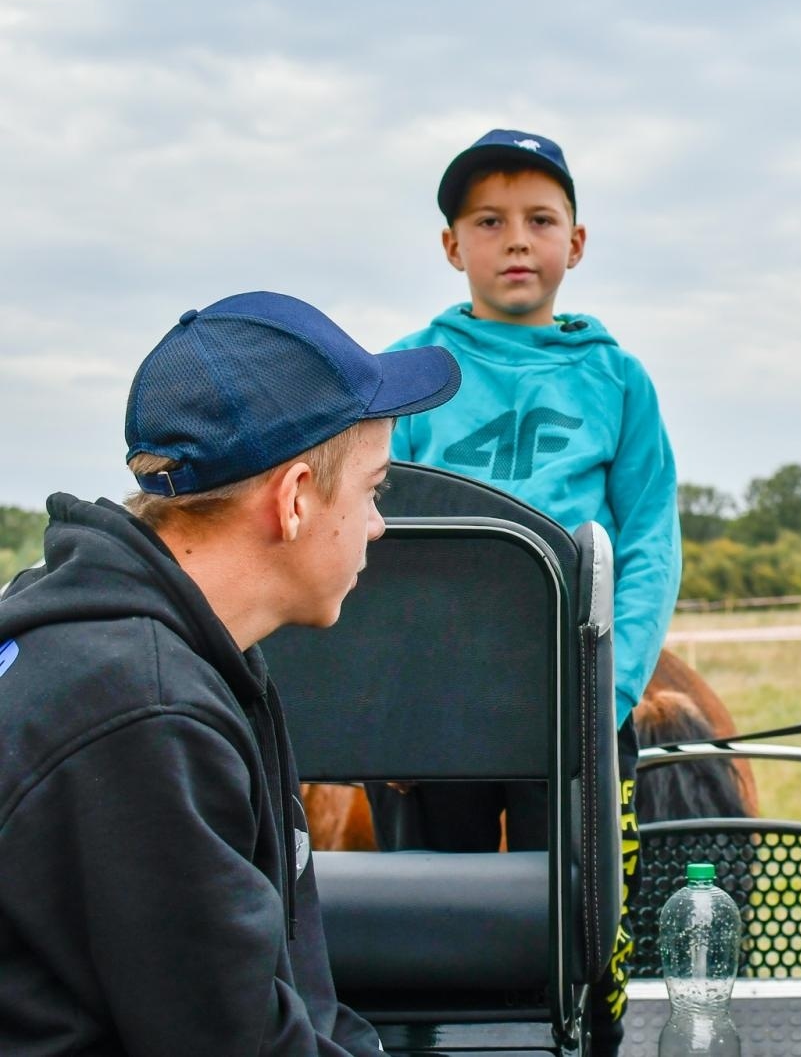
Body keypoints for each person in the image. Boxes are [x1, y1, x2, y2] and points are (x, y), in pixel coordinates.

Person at [0, 291, 461, 1055]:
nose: (378, 523)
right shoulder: (144, 714)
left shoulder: (155, 652)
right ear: (295, 501)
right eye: (374, 489)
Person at [375, 128, 681, 1055]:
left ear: (575, 244)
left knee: (584, 922)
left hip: (572, 698)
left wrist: (612, 689)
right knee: (431, 920)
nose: (516, 240)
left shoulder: (618, 377)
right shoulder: (402, 374)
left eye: (540, 220)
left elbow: (650, 540)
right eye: (489, 221)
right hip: (438, 709)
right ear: (450, 246)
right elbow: (366, 545)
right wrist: (393, 706)